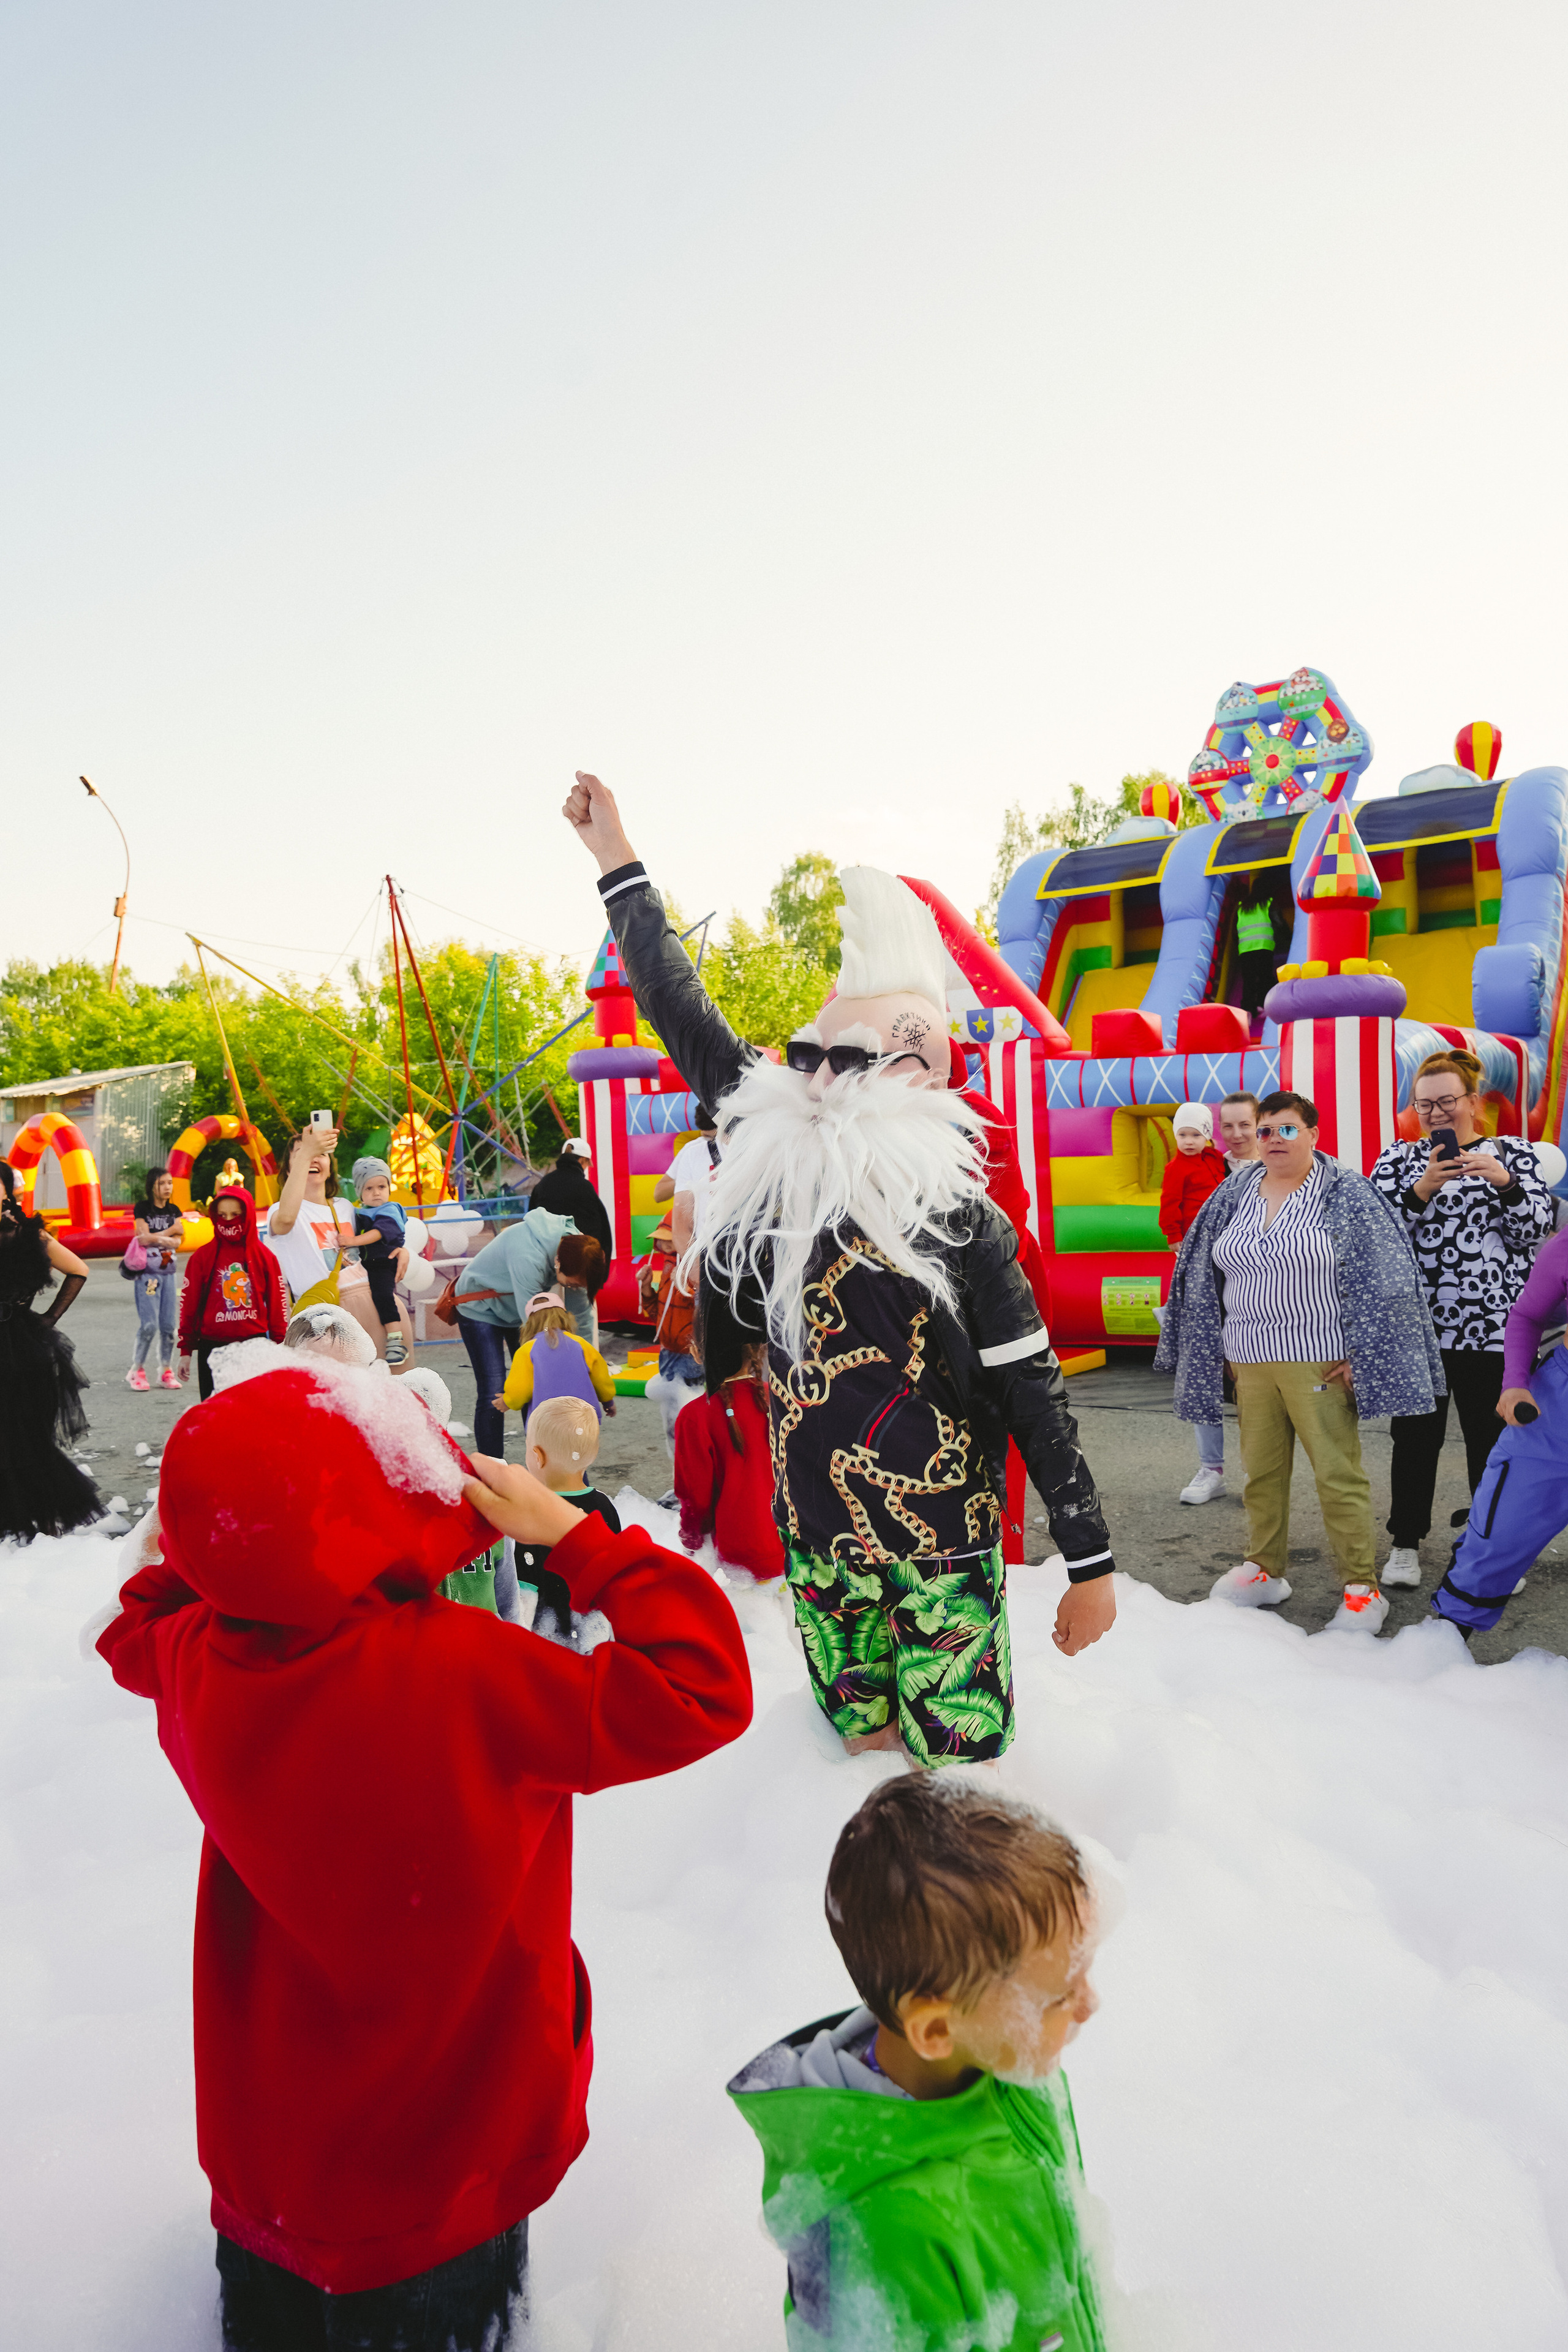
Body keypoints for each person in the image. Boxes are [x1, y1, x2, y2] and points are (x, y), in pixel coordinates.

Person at [95, 1356, 749, 2352]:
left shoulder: (198, 1661)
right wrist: (575, 1536)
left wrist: (223, 1538)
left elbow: (136, 1619)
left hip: (272, 2162)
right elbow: (702, 1686)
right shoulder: (470, 1673)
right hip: (447, 2171)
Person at [566, 771, 1115, 1768]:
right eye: (806, 1051)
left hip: (942, 1541)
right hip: (818, 1540)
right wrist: (618, 862)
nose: (815, 1074)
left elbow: (1034, 1392)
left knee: (956, 1766)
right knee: (854, 1752)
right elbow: (680, 1010)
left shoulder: (963, 1221)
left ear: (917, 1072)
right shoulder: (780, 1163)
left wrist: (1091, 1562)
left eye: (846, 1058)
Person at [729, 1774, 1106, 2352]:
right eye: (1059, 1996)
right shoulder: (887, 2230)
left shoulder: (1006, 2068)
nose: (1090, 2004)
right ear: (935, 2031)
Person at [1156, 1088, 1443, 1632]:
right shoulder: (1236, 1190)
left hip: (1318, 1359)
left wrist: (1364, 1352)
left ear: (1313, 1133)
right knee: (1261, 1472)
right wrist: (1213, 1345)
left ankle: (1360, 1586)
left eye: (1287, 1129)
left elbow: (1388, 1275)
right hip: (1249, 1358)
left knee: (1337, 1474)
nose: (1273, 1140)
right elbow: (1200, 1264)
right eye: (1265, 1131)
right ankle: (1264, 1569)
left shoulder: (1346, 1191)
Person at [1368, 1049, 1553, 1589]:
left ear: (1473, 1101)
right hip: (1417, 1331)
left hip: (1492, 1330)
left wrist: (1506, 1183)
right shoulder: (1398, 1160)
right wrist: (1422, 1188)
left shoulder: (1515, 1154)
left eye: (1446, 1100)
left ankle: (1489, 1548)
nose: (1435, 1113)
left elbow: (1535, 1232)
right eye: (1424, 1104)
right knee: (1414, 1441)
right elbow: (1375, 1238)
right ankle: (1405, 1543)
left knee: (1492, 1444)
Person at [1433, 1223, 1568, 1635]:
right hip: (1556, 1412)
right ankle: (1443, 1647)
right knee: (1499, 1531)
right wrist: (1515, 1383)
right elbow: (1529, 1314)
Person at [0, 1159, 98, 1541]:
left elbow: (79, 1270)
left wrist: (48, 1318)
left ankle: (42, 1524)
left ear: (7, 1192)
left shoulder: (28, 1234)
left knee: (29, 1434)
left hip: (22, 1346)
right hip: (20, 1342)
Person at [262, 1125, 412, 1366]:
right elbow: (286, 1220)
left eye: (320, 1153)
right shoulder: (279, 1211)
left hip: (376, 1305)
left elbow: (382, 1234)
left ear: (330, 1165)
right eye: (302, 1153)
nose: (312, 1158)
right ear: (289, 1168)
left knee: (393, 1387)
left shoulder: (346, 1207)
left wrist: (403, 1251)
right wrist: (308, 1151)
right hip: (323, 1316)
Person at [452, 1208, 594, 1460]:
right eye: (572, 1284)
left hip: (515, 1306)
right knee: (494, 1389)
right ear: (558, 1262)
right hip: (479, 1307)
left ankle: (546, 1464)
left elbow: (581, 1314)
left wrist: (585, 1362)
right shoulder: (528, 1254)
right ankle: (493, 1468)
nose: (574, 1288)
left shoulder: (580, 1252)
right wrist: (557, 1367)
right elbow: (534, 1325)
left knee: (537, 1387)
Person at [1159, 1104, 1232, 1508]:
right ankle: (1211, 1466)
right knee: (1202, 1357)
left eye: (1195, 1134)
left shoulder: (1217, 1161)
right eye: (1182, 1135)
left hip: (1231, 1256)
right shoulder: (1177, 1168)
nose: (1188, 1141)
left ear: (1207, 1135)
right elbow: (1169, 1203)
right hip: (1196, 1252)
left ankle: (1261, 1470)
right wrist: (1174, 1237)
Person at [513, 1395, 625, 1640]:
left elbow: (525, 1587)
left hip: (547, 1633)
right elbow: (616, 1574)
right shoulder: (604, 1506)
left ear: (538, 1456)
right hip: (595, 1629)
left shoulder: (532, 1510)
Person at [675, 1336, 786, 1578]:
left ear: (698, 1352)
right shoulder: (781, 1398)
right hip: (795, 1549)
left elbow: (696, 1497)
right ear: (756, 1350)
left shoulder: (695, 1416)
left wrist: (692, 1540)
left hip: (738, 1556)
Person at [178, 1187, 288, 1398]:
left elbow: (277, 1305)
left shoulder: (265, 1257)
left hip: (253, 1345)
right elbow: (189, 1306)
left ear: (247, 1216)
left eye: (235, 1215)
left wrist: (280, 1346)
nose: (228, 1221)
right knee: (214, 1411)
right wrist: (186, 1351)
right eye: (222, 1215)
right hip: (212, 1346)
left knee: (253, 1408)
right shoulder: (201, 1258)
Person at [498, 1290, 618, 1422]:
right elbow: (601, 1379)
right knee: (584, 1437)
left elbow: (520, 1390)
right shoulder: (581, 1344)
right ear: (564, 1316)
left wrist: (507, 1401)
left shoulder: (527, 1350)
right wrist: (608, 1402)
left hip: (546, 1421)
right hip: (584, 1418)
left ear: (530, 1322)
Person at [344, 1155, 410, 1368]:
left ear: (389, 1188)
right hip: (365, 1264)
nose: (376, 1193)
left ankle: (396, 1339)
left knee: (383, 1295)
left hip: (383, 1262)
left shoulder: (389, 1210)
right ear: (360, 1193)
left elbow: (379, 1232)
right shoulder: (361, 1211)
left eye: (382, 1186)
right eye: (369, 1188)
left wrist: (353, 1241)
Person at [127, 1166, 187, 1391]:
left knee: (169, 1326)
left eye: (170, 1183)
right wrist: (170, 1232)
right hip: (148, 1276)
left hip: (168, 1274)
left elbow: (179, 1243)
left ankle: (166, 1370)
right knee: (149, 1325)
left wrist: (157, 1238)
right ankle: (137, 1370)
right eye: (162, 1183)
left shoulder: (174, 1210)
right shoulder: (143, 1208)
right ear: (152, 1186)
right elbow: (143, 1238)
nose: (167, 1187)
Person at [526, 1140, 612, 1269]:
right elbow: (600, 1229)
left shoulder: (543, 1184)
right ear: (582, 1161)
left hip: (545, 1261)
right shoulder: (585, 1187)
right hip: (576, 1263)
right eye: (587, 1165)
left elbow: (531, 1220)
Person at [1234, 872, 1289, 1022]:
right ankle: (1264, 1004)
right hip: (1264, 946)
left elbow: (1235, 930)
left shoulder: (1242, 906)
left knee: (1249, 980)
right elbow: (1279, 923)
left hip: (1245, 948)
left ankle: (1248, 1010)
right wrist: (1288, 938)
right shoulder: (1268, 903)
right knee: (1265, 976)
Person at [1218, 1091, 1261, 1174]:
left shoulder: (1277, 1167)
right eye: (1228, 1126)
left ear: (1259, 1124)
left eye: (1245, 1125)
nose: (1237, 1135)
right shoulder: (1212, 1172)